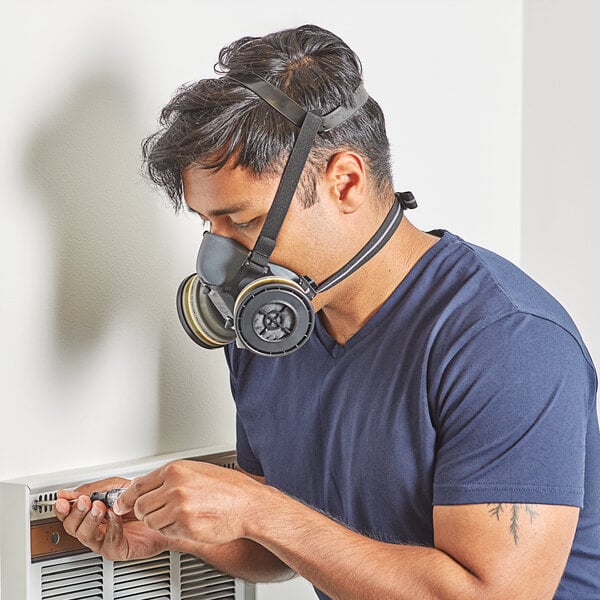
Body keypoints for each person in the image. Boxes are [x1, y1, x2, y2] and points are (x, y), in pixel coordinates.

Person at [56, 24, 600, 599]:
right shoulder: (269, 326)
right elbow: (281, 548)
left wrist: (257, 508)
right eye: (208, 226)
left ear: (344, 182)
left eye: (241, 221)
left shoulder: (505, 341)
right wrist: (174, 528)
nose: (219, 261)